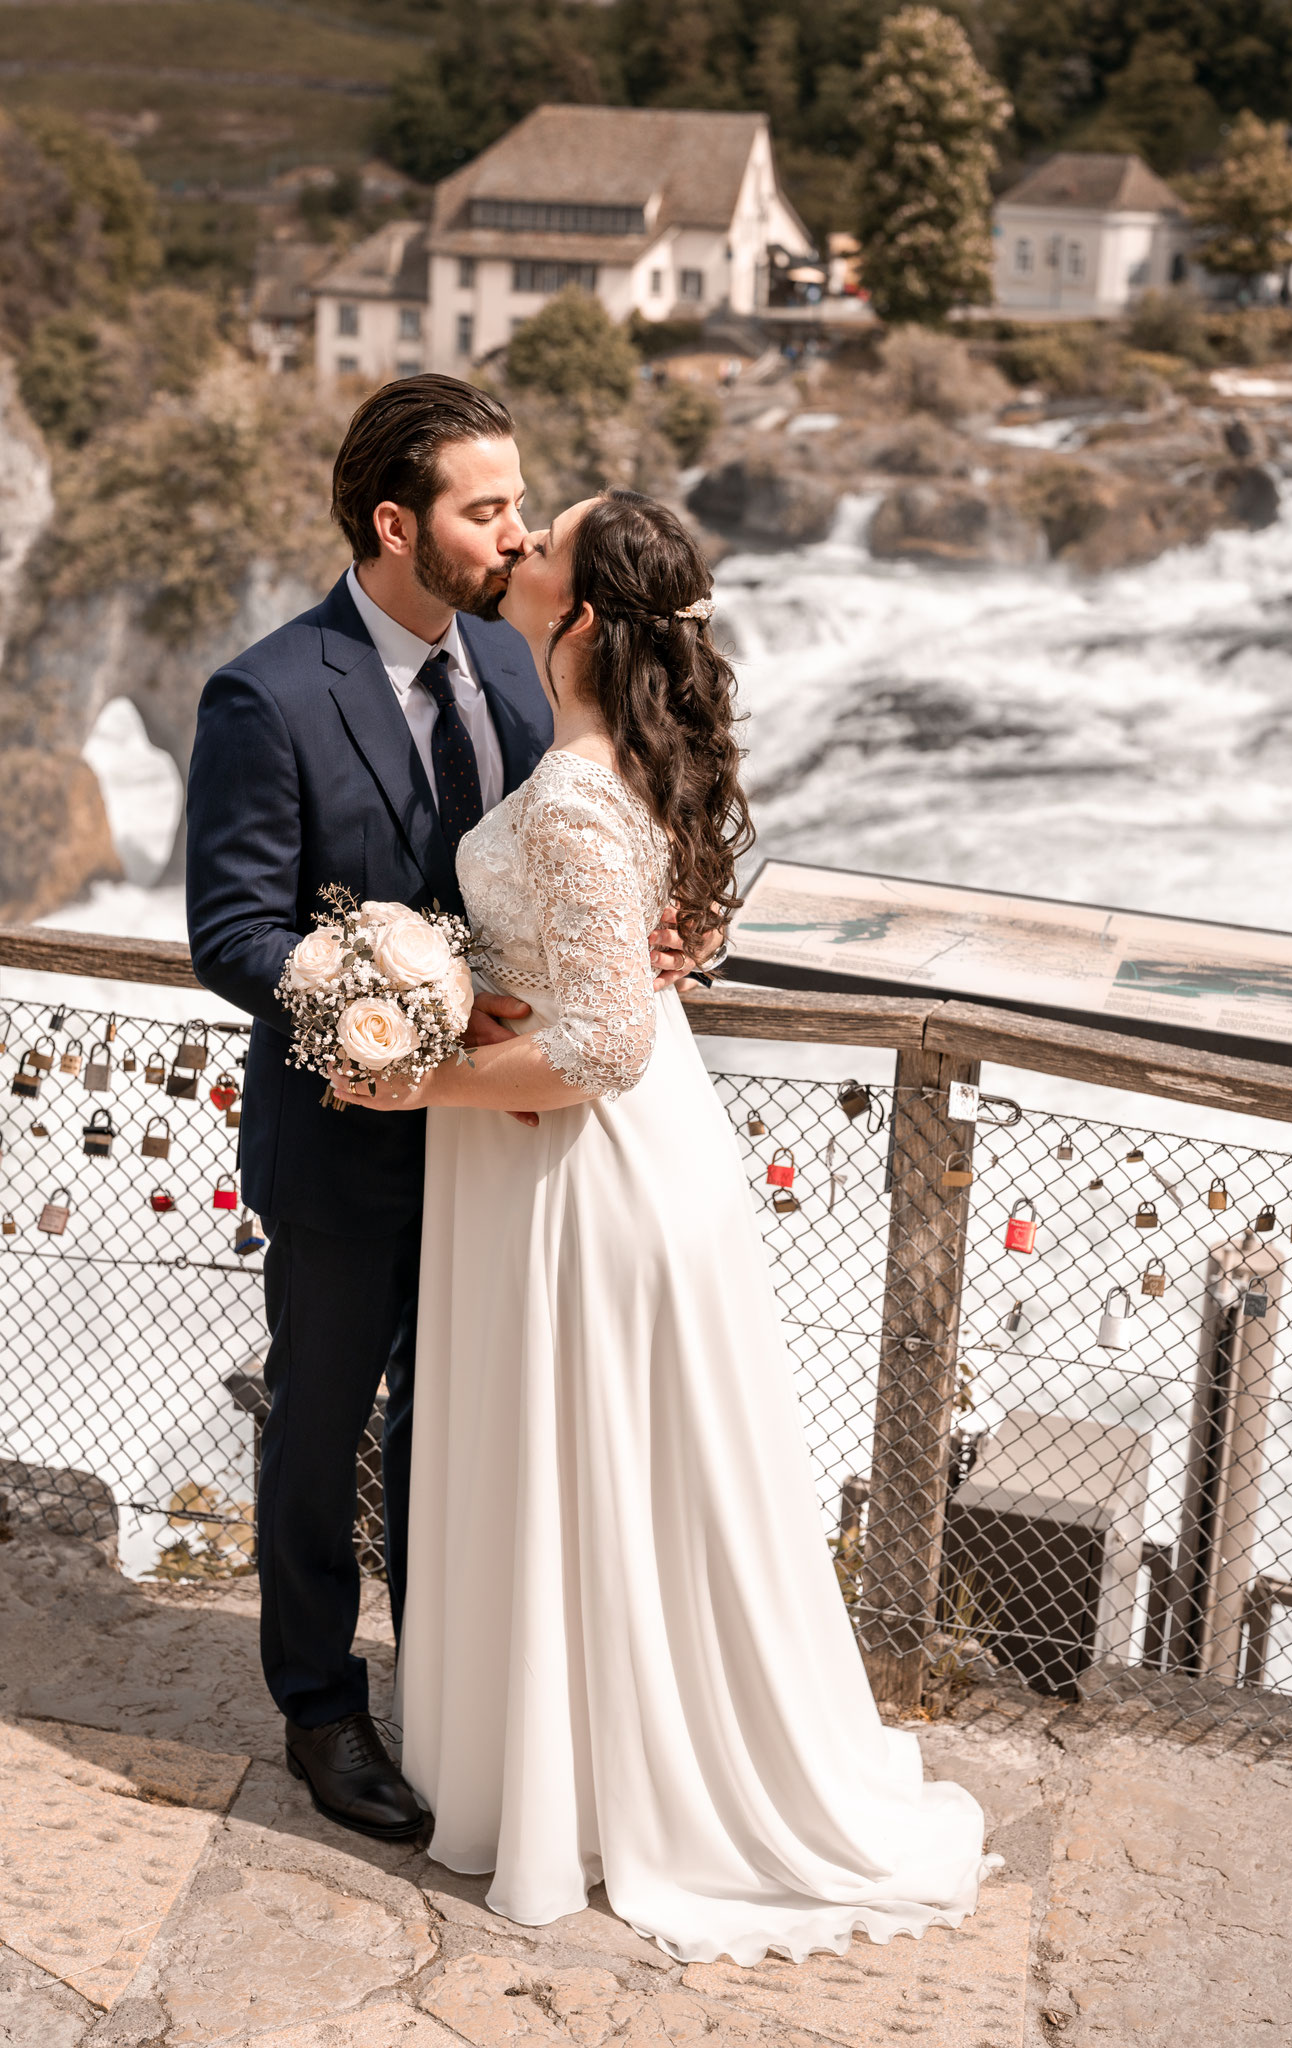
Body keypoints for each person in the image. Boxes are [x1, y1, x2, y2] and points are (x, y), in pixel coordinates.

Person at [332, 489, 992, 1964]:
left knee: (585, 1473)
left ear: (575, 614)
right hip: (615, 1158)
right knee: (612, 1486)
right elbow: (647, 963)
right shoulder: (624, 757)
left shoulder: (573, 789)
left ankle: (595, 1791)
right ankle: (590, 1761)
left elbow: (602, 1051)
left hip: (581, 1173)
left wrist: (406, 1082)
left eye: (540, 541)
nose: (517, 548)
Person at [185, 380, 702, 1841]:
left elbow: (615, 842)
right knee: (322, 1424)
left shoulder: (527, 655)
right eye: (487, 509)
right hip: (346, 1135)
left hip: (510, 1149)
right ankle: (320, 1707)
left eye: (519, 501)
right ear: (398, 524)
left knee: (460, 1431)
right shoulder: (264, 693)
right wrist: (397, 998)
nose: (520, 528)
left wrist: (669, 943)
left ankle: (457, 1696)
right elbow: (231, 931)